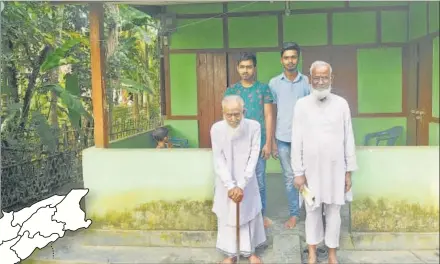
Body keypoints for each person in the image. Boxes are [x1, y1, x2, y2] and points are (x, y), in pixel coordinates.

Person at [291, 61, 358, 264]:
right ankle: (312, 252)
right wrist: (298, 172)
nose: (320, 82)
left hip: (336, 169)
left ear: (331, 78)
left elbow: (349, 138)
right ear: (310, 79)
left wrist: (349, 172)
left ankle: (331, 254)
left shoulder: (342, 104)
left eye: (324, 77)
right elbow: (296, 140)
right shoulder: (301, 105)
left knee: (334, 211)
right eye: (316, 78)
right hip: (310, 170)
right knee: (311, 210)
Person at [211, 95, 266, 264]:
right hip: (225, 181)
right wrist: (230, 185)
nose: (233, 119)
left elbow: (254, 155)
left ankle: (250, 252)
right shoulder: (217, 129)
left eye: (237, 114)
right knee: (228, 213)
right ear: (223, 113)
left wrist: (242, 184)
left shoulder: (254, 127)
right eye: (229, 115)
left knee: (248, 211)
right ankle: (230, 254)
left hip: (247, 180)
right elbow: (218, 159)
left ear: (244, 111)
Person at [224, 52, 274, 228]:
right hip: (237, 145)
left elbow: (268, 116)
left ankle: (261, 216)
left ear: (254, 68)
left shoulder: (263, 89)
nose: (246, 70)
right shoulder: (231, 91)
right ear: (238, 68)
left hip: (258, 144)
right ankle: (241, 216)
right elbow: (227, 118)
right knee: (238, 181)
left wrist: (268, 142)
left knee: (259, 181)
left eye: (249, 67)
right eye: (242, 67)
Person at [268, 42, 310, 229]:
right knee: (289, 177)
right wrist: (273, 142)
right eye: (286, 57)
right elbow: (271, 113)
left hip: (306, 139)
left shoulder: (307, 82)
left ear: (298, 58)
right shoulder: (274, 83)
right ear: (281, 60)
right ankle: (294, 214)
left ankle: (311, 211)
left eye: (293, 57)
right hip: (283, 139)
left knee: (309, 176)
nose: (290, 60)